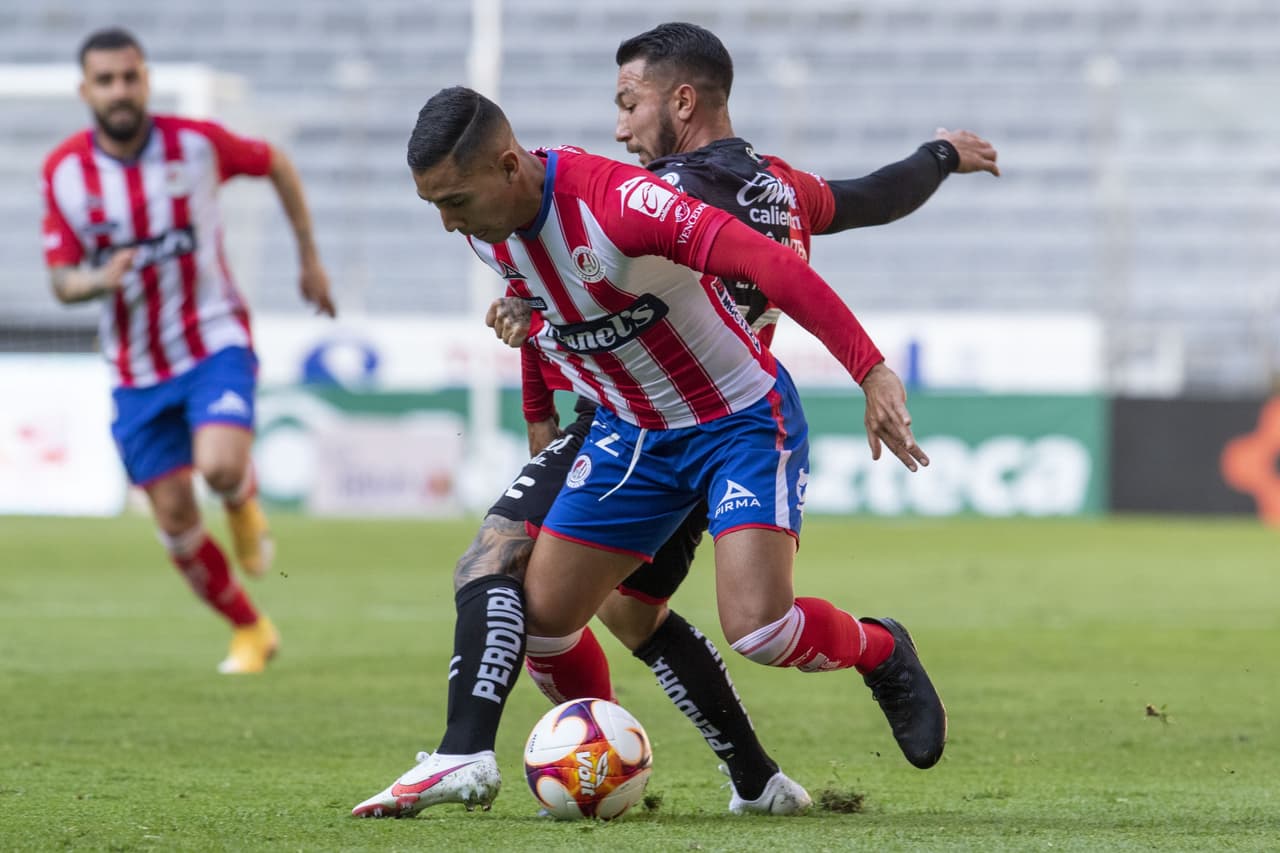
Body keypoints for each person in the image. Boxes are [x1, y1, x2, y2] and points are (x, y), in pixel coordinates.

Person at [352, 77, 947, 818]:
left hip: (738, 421)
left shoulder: (620, 204)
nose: (447, 225)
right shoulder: (485, 227)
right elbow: (544, 310)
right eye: (433, 206)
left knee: (760, 629)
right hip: (631, 433)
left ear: (509, 166)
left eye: (453, 202)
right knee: (541, 623)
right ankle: (608, 760)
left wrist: (871, 368)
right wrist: (539, 414)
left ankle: (879, 648)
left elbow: (776, 266)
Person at [40, 28, 336, 674]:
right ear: (85, 89)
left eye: (130, 76)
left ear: (145, 79)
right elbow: (61, 278)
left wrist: (309, 261)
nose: (120, 90)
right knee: (173, 517)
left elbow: (277, 163)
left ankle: (241, 502)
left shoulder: (196, 145)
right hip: (134, 368)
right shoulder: (64, 173)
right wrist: (97, 279)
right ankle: (251, 628)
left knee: (222, 464)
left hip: (212, 339)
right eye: (106, 80)